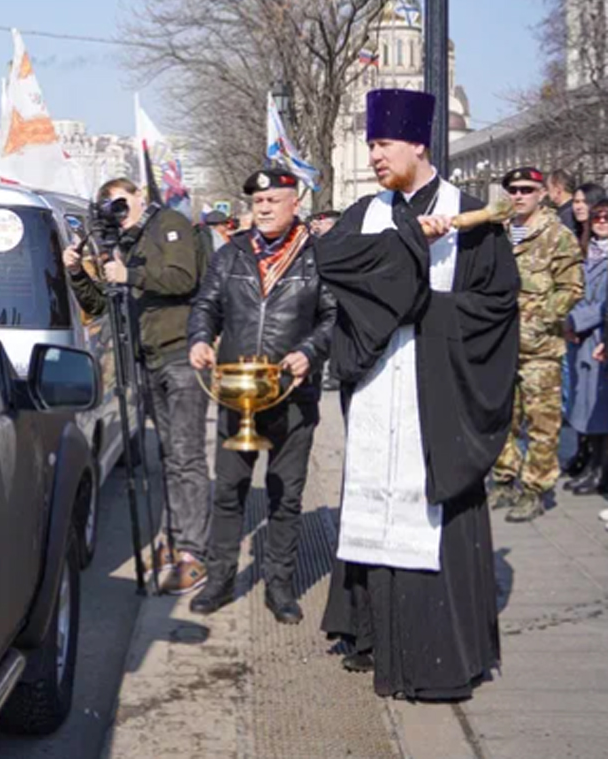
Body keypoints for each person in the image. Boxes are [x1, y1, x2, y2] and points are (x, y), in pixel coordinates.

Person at [317, 88, 519, 702]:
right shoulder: (369, 213)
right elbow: (332, 258)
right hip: (382, 384)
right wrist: (406, 242)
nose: (375, 155)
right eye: (372, 144)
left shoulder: (473, 216)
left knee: (435, 508)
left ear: (418, 145)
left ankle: (441, 660)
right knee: (376, 503)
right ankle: (374, 636)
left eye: (384, 144)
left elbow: (496, 304)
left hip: (441, 388)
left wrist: (424, 305)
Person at [187, 168, 336, 625]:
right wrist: (198, 338)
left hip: (293, 396)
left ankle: (280, 585)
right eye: (258, 201)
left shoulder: (317, 256)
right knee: (228, 491)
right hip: (237, 392)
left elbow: (334, 315)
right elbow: (206, 305)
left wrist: (309, 352)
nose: (265, 207)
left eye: (273, 200)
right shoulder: (231, 253)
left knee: (286, 496)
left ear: (295, 203)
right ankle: (220, 578)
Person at [64, 177, 210, 595]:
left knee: (187, 456)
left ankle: (193, 554)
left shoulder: (170, 225)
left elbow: (184, 276)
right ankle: (176, 538)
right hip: (148, 360)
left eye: (122, 204)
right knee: (169, 455)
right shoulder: (121, 244)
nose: (118, 213)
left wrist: (130, 272)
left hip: (180, 354)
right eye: (109, 207)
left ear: (140, 197)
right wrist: (78, 273)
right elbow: (99, 305)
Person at [488, 167, 583, 522]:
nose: (518, 195)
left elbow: (572, 287)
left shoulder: (557, 235)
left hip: (540, 349)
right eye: (512, 189)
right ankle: (504, 477)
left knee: (541, 423)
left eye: (526, 189)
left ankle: (535, 488)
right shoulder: (500, 233)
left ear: (542, 194)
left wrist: (541, 321)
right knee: (504, 417)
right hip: (502, 343)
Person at [563, 199, 608, 494]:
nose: (601, 222)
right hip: (582, 339)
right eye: (597, 217)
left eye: (607, 217)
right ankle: (590, 462)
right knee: (584, 405)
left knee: (599, 410)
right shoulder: (585, 253)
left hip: (599, 336)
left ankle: (600, 471)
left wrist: (574, 320)